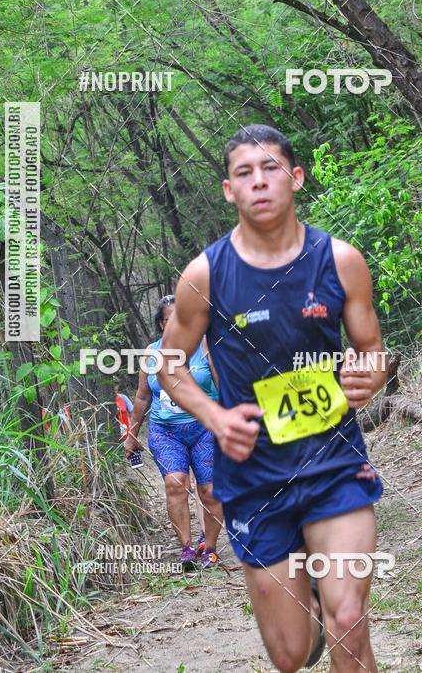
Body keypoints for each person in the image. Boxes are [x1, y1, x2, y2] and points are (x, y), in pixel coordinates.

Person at [156, 125, 387, 673]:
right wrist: (215, 417)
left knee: (348, 618)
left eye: (271, 169)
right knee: (291, 655)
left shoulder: (340, 260)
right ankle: (304, 584)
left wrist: (368, 375)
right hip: (255, 480)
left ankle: (330, 596)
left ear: (296, 178)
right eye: (244, 173)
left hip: (335, 466)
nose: (259, 182)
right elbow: (169, 366)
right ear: (229, 190)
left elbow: (371, 347)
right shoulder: (205, 276)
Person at [123, 295, 224, 571]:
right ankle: (187, 548)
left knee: (210, 490)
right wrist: (132, 435)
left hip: (205, 428)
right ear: (161, 323)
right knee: (175, 483)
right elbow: (142, 399)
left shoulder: (204, 346)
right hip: (166, 431)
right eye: (170, 321)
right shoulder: (151, 353)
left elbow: (221, 384)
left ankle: (210, 548)